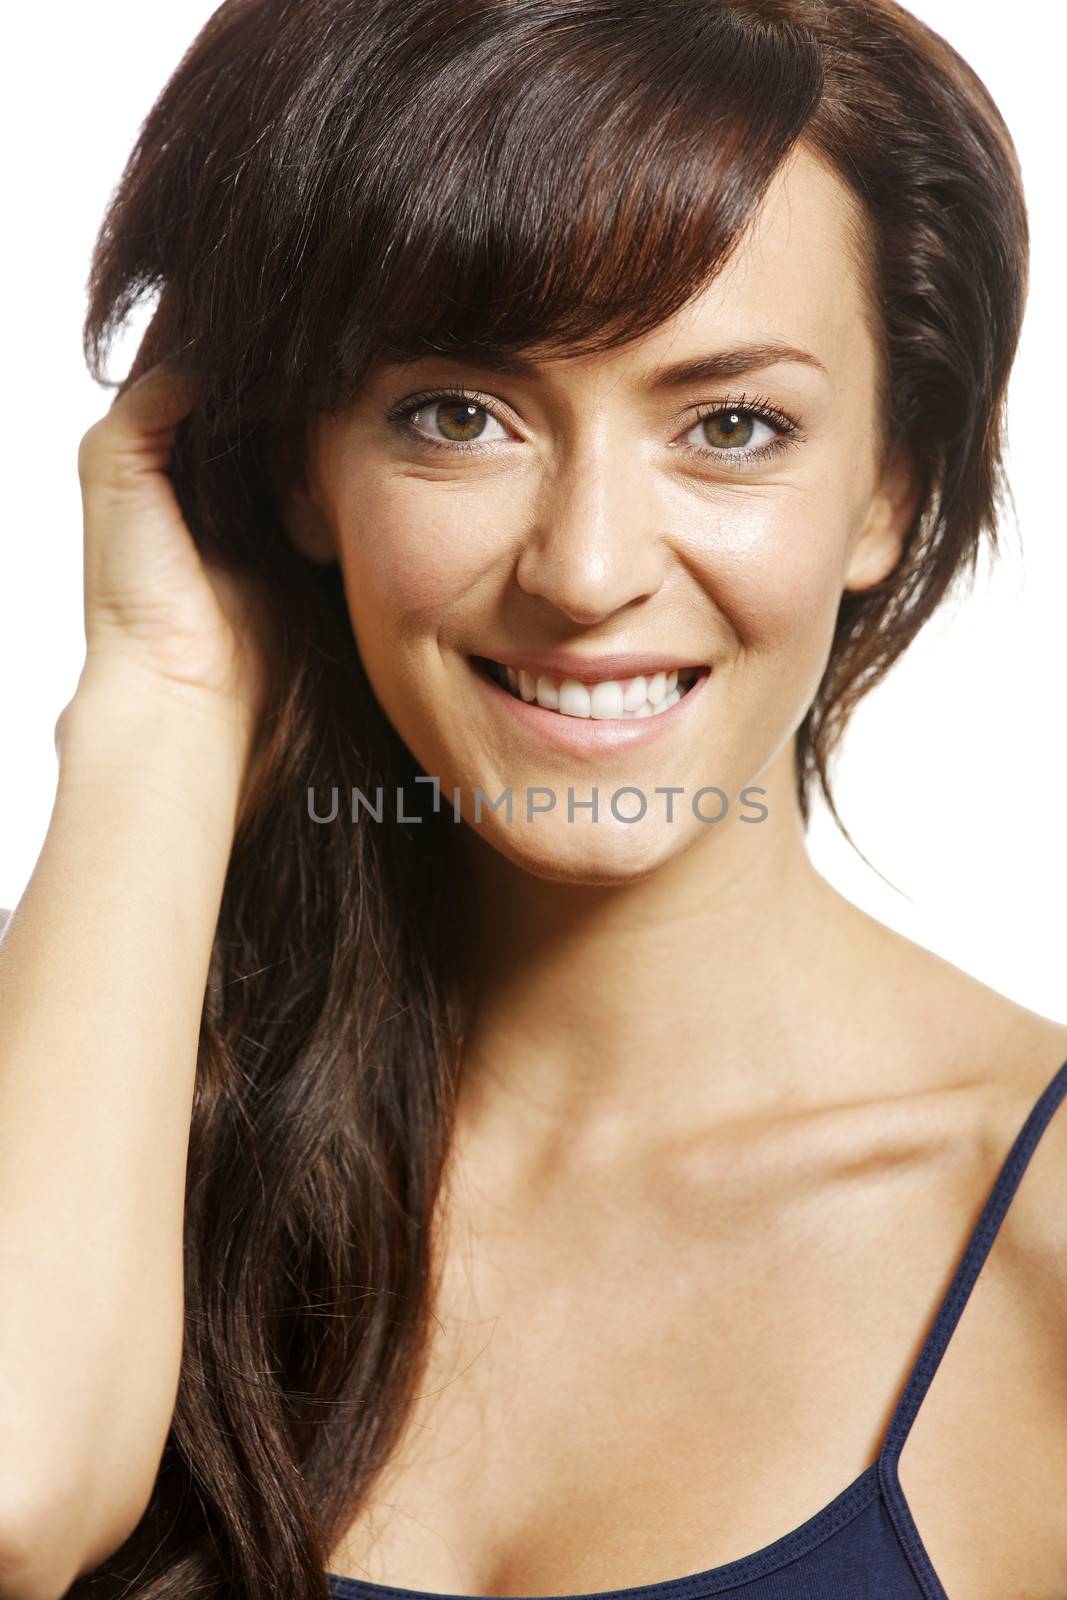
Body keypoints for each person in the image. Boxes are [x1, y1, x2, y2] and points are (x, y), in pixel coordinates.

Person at [0, 0, 1064, 1597]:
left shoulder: (1034, 1219)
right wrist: (159, 698)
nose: (585, 570)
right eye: (459, 415)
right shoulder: (97, 1119)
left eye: (730, 426)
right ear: (301, 465)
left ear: (890, 490)